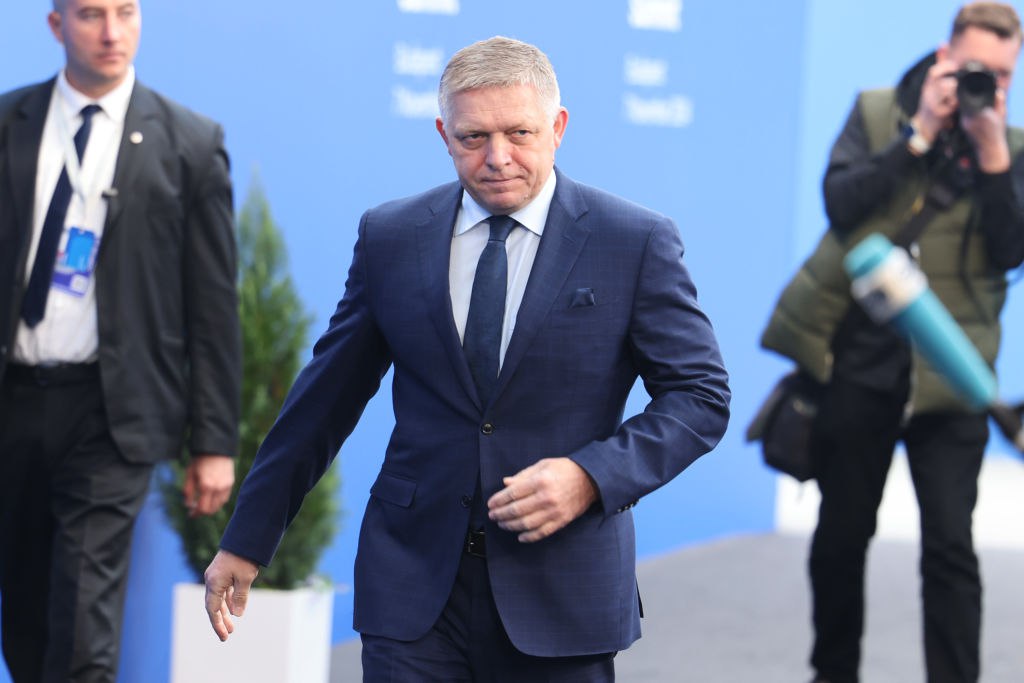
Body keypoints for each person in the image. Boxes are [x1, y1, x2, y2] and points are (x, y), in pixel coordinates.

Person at [204, 35, 730, 681]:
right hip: (412, 588)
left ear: (558, 127)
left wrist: (590, 476)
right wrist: (247, 539)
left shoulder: (634, 240)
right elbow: (323, 401)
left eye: (519, 133)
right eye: (473, 137)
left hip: (561, 594)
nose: (497, 157)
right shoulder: (391, 236)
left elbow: (700, 398)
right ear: (443, 134)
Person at [760, 3, 1024, 682]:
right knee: (842, 537)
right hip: (861, 364)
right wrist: (919, 135)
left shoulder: (1013, 148)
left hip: (954, 373)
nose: (988, 86)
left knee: (952, 549)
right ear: (944, 55)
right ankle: (834, 672)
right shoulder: (877, 112)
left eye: (1002, 76)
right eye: (976, 69)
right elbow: (840, 203)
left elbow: (1011, 251)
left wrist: (993, 157)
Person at [0, 1, 241, 681]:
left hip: (112, 413)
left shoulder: (189, 142)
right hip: (12, 399)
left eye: (125, 12)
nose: (111, 32)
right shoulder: (9, 121)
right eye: (90, 14)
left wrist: (214, 441)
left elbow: (213, 303)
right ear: (56, 26)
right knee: (25, 612)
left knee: (85, 620)